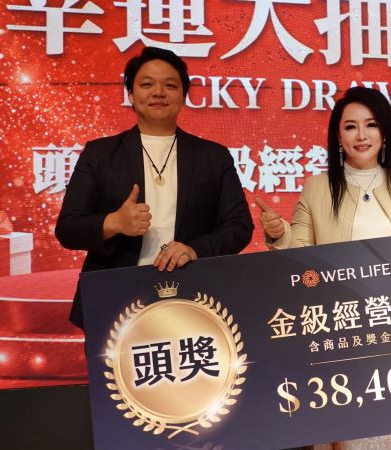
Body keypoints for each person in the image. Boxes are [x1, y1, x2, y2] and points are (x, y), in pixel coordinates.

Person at [256, 87, 391, 450]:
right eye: (350, 126)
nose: (361, 135)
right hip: (340, 329)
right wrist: (279, 235)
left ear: (384, 133)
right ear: (337, 136)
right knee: (345, 431)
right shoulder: (318, 188)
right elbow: (300, 260)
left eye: (371, 125)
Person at [56, 47, 254, 329]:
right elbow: (68, 228)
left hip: (194, 297)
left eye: (170, 85)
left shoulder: (213, 157)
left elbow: (239, 226)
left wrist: (194, 249)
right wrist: (114, 222)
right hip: (115, 299)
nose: (158, 92)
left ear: (183, 96)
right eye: (147, 84)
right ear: (131, 95)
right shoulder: (100, 154)